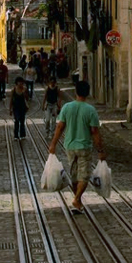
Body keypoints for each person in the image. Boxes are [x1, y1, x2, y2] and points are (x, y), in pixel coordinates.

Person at [48, 80, 106, 213]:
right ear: (88, 93)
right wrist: (100, 150)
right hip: (84, 147)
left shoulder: (67, 107)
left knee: (75, 175)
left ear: (76, 92)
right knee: (84, 176)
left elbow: (60, 126)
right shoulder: (90, 110)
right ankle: (77, 199)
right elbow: (95, 132)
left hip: (69, 146)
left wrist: (53, 144)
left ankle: (77, 202)